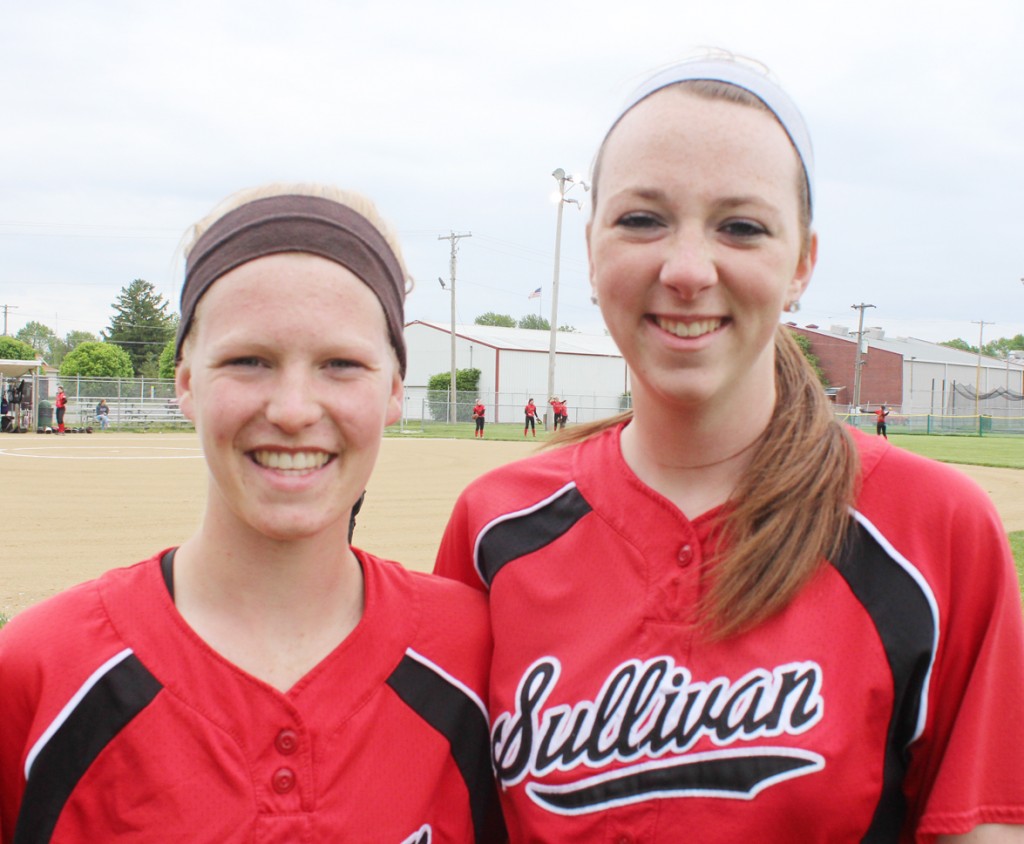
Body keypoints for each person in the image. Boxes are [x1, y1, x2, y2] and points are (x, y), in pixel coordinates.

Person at [435, 55, 1024, 842]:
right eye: (642, 219)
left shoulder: (930, 528)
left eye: (741, 226)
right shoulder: (493, 528)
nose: (685, 270)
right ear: (590, 248)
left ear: (802, 264)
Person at [0, 185, 504, 842]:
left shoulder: (482, 661)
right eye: (248, 361)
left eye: (341, 364)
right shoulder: (41, 672)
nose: (293, 410)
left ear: (394, 390)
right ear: (185, 380)